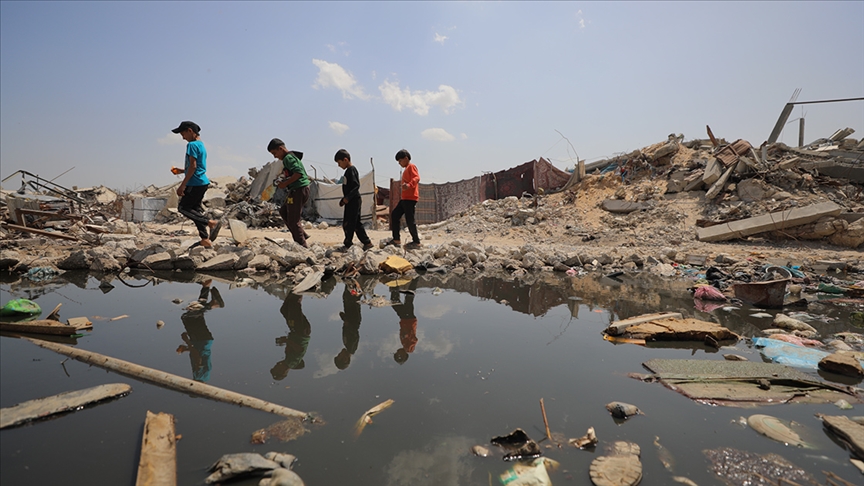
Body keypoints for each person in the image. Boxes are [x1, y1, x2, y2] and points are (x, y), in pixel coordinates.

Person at [172, 121, 221, 248]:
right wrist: (182, 171)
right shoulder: (201, 145)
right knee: (195, 210)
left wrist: (182, 185)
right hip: (202, 182)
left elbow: (193, 167)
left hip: (195, 182)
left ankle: (211, 223)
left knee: (183, 208)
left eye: (183, 134)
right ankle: (205, 239)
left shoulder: (191, 145)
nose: (183, 138)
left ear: (190, 131)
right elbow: (197, 166)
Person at [176, 279, 224, 382]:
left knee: (196, 315)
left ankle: (206, 287)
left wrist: (186, 349)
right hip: (200, 340)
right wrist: (187, 341)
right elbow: (198, 358)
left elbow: (198, 354)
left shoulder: (205, 377)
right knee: (187, 317)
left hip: (203, 341)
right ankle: (213, 305)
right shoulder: (199, 377)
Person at [267, 138, 311, 248]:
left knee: (293, 220)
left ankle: (302, 246)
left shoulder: (288, 158)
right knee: (284, 211)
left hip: (298, 190)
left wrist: (285, 183)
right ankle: (302, 234)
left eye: (275, 153)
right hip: (296, 190)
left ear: (281, 149)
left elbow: (298, 173)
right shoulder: (290, 158)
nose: (275, 156)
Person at [334, 149, 374, 252]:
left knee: (349, 223)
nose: (339, 165)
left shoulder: (351, 170)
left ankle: (348, 244)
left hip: (353, 201)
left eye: (339, 162)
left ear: (345, 160)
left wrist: (347, 198)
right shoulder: (348, 171)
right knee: (356, 223)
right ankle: (367, 243)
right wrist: (344, 199)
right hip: (352, 200)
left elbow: (356, 186)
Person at [271, 293, 311, 380]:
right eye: (276, 367)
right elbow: (300, 349)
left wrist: (285, 342)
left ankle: (293, 292)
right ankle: (298, 291)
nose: (276, 364)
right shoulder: (291, 363)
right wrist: (286, 340)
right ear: (282, 371)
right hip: (301, 332)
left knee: (284, 310)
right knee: (294, 307)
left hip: (296, 331)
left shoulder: (288, 360)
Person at [388, 149, 422, 250]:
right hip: (405, 199)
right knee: (395, 215)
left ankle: (416, 242)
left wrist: (409, 185)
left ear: (406, 158)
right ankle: (396, 239)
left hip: (410, 198)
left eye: (400, 161)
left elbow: (416, 178)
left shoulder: (411, 166)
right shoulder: (406, 169)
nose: (399, 163)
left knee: (410, 220)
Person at [334, 280, 362, 370]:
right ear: (345, 359)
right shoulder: (351, 347)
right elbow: (354, 332)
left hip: (350, 317)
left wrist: (344, 318)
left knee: (347, 297)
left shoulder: (347, 346)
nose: (339, 353)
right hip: (353, 318)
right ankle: (354, 282)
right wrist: (347, 321)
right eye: (340, 355)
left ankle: (351, 281)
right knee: (352, 299)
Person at [391, 278, 419, 365]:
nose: (397, 351)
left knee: (404, 300)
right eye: (398, 353)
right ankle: (413, 280)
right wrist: (407, 335)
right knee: (401, 301)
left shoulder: (404, 345)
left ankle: (396, 283)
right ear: (402, 355)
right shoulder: (409, 348)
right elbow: (414, 339)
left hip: (404, 319)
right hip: (409, 319)